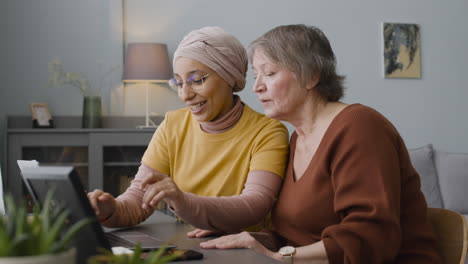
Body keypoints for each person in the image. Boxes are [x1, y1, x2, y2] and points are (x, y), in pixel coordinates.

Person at [200, 24, 442, 263]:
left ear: (311, 76)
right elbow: (298, 235)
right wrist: (247, 239)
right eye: (256, 75)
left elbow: (370, 237)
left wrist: (282, 257)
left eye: (270, 73)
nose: (256, 87)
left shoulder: (360, 127)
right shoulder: (297, 138)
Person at [87, 27, 289, 235]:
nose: (185, 94)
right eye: (179, 82)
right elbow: (138, 201)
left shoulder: (268, 133)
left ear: (229, 76)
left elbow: (254, 206)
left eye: (198, 80)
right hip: (189, 245)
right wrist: (109, 210)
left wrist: (183, 201)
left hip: (244, 251)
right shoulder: (172, 125)